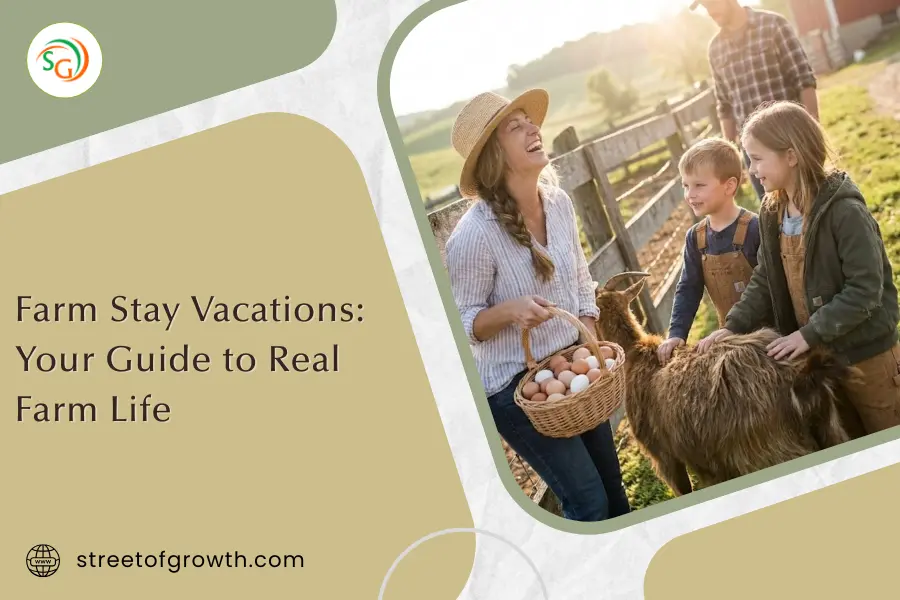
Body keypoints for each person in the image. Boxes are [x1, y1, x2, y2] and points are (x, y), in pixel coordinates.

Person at [444, 89, 630, 522]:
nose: (533, 129)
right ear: (495, 154)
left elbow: (583, 281)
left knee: (613, 490)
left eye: (530, 120)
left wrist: (589, 347)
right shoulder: (474, 237)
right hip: (515, 389)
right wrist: (510, 311)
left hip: (569, 367)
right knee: (588, 501)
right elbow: (463, 323)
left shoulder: (559, 204)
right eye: (516, 126)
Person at [697, 100, 900, 433]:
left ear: (791, 155)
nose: (751, 169)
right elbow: (765, 277)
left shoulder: (844, 212)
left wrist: (808, 333)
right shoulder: (773, 210)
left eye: (758, 158)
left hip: (868, 358)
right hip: (820, 362)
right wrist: (732, 327)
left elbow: (865, 290)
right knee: (847, 445)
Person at [690, 0, 819, 200]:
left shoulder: (773, 26)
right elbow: (725, 106)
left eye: (712, 2)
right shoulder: (715, 49)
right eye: (705, 6)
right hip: (753, 156)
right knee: (774, 220)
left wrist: (812, 135)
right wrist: (729, 160)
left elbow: (804, 80)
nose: (710, 11)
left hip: (788, 143)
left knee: (812, 205)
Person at [658, 138, 761, 365]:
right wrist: (676, 333)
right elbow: (688, 288)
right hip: (730, 342)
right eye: (685, 185)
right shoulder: (696, 238)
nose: (690, 194)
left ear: (729, 186)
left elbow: (770, 284)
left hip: (769, 336)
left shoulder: (756, 228)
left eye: (699, 185)